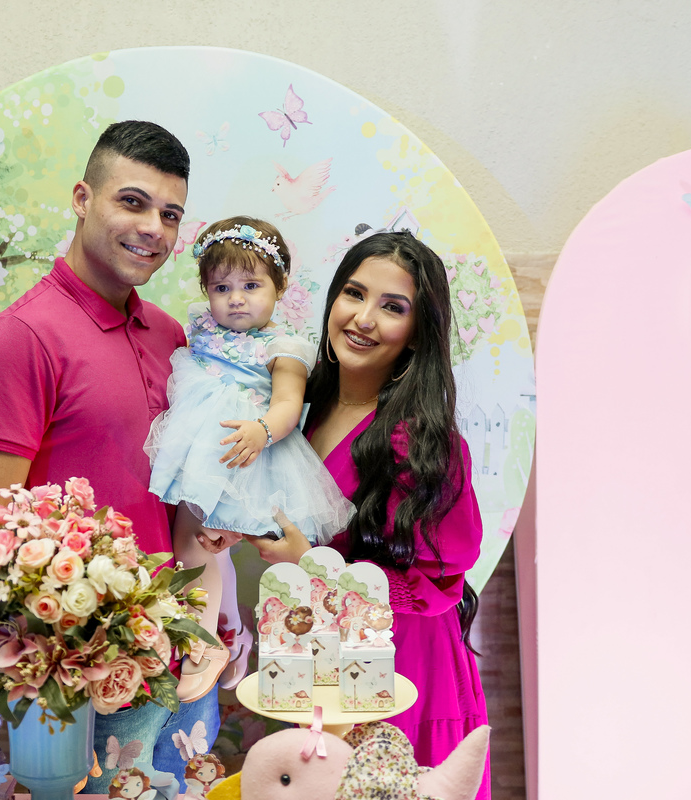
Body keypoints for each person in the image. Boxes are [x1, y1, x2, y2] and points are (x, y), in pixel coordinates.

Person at [0, 120, 218, 791]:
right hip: (75, 681)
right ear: (81, 198)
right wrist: (70, 669)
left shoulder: (169, 336)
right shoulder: (17, 340)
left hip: (172, 659)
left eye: (170, 214)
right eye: (133, 202)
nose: (153, 228)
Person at [208, 231, 489, 793]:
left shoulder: (423, 443)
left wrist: (311, 565)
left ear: (417, 332)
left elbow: (437, 586)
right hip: (315, 656)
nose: (363, 318)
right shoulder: (299, 406)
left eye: (392, 307)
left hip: (403, 667)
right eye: (354, 294)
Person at [144, 216, 353, 701]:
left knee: (194, 543)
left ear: (280, 286)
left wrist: (262, 430)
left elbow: (287, 404)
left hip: (243, 452)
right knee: (204, 544)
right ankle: (230, 630)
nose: (235, 298)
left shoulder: (284, 346)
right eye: (222, 288)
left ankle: (202, 644)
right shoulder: (203, 328)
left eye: (251, 285)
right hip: (203, 446)